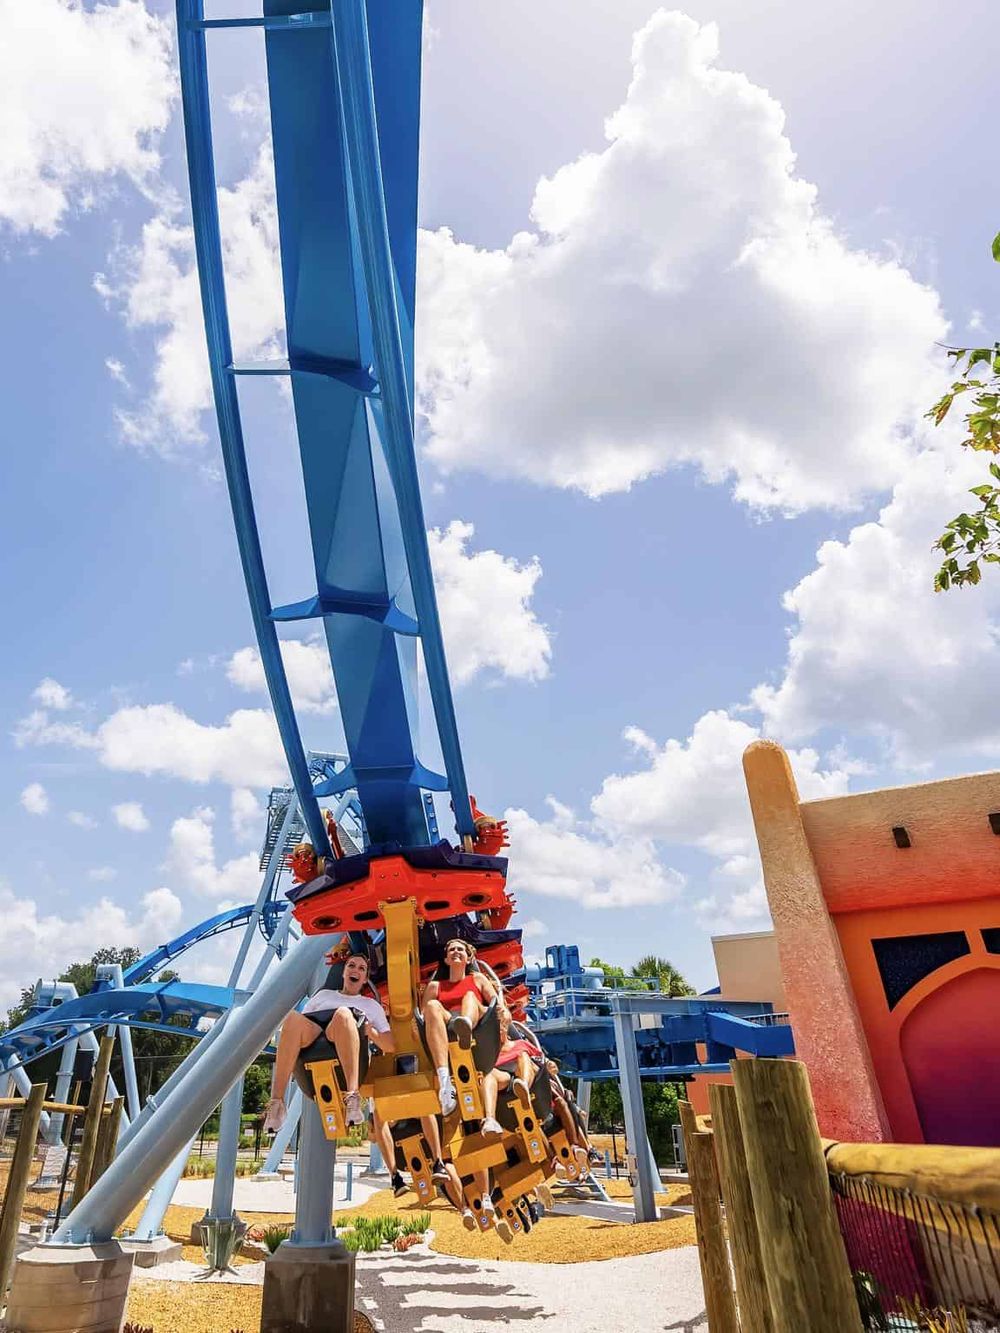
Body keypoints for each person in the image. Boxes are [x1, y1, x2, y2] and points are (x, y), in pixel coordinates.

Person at [263, 951, 394, 1132]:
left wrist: (370, 1031)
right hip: (313, 1045)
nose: (355, 970)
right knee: (292, 1018)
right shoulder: (323, 995)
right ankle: (277, 1104)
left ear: (365, 979)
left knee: (343, 1014)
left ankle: (352, 1097)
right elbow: (302, 1024)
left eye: (361, 968)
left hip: (346, 1046)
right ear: (343, 972)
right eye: (351, 966)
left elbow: (390, 1045)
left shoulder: (371, 1005)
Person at [420, 938, 499, 1115]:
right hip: (449, 1021)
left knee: (470, 996)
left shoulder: (478, 979)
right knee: (432, 1005)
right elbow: (424, 1016)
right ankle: (445, 1083)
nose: (456, 952)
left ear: (469, 958)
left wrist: (504, 1015)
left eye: (460, 949)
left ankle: (466, 1025)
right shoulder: (435, 986)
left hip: (478, 1019)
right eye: (451, 950)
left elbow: (496, 1004)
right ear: (446, 959)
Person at [480, 1010, 541, 1136]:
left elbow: (541, 1064)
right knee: (490, 1074)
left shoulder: (521, 1044)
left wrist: (550, 1066)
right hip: (506, 1079)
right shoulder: (490, 1054)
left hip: (523, 1073)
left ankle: (524, 1087)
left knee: (523, 1056)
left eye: (501, 1027)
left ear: (506, 1028)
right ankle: (490, 1120)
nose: (498, 1031)